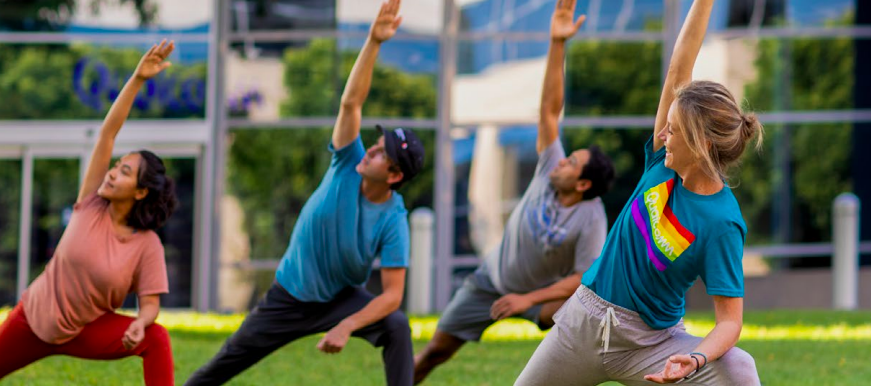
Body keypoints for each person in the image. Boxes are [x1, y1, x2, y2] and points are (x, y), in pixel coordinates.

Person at [514, 0, 763, 384]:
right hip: (584, 321)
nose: (662, 135)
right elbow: (679, 69)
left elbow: (729, 322)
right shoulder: (661, 164)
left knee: (740, 368)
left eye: (674, 130)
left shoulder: (722, 222)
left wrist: (694, 359)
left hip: (652, 345)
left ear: (702, 145)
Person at [184, 1, 425, 385]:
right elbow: (351, 103)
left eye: (382, 154)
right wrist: (373, 42)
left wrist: (348, 324)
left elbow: (392, 296)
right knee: (223, 364)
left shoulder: (395, 219)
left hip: (341, 298)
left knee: (396, 325)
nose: (372, 150)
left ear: (394, 176)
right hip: (289, 295)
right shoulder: (348, 161)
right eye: (376, 144)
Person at [0, 40, 180, 386]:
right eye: (116, 166)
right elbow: (108, 133)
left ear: (141, 192)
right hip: (32, 319)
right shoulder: (91, 203)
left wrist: (140, 323)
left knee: (158, 338)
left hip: (87, 329)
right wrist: (136, 79)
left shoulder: (147, 246)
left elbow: (149, 304)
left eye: (125, 172)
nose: (112, 173)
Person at [412, 0, 615, 382]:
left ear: (584, 184)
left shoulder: (591, 216)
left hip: (537, 295)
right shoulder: (546, 171)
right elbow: (550, 112)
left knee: (579, 311)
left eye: (571, 163)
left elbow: (584, 275)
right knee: (435, 351)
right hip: (491, 282)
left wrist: (528, 299)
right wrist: (557, 43)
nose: (561, 162)